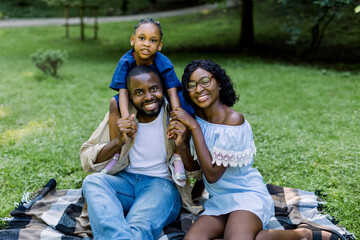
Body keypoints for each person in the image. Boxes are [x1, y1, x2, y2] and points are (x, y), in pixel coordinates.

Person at [167, 60, 346, 240]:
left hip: (247, 197)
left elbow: (213, 175)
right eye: (192, 85)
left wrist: (194, 129)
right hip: (218, 201)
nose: (198, 89)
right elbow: (196, 172)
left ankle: (303, 232)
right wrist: (182, 144)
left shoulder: (233, 121)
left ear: (218, 83)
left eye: (205, 81)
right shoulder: (196, 120)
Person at [81, 65, 188, 240]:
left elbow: (195, 171)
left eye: (153, 89)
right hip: (124, 182)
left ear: (162, 88)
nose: (148, 97)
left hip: (161, 186)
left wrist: (182, 145)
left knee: (139, 228)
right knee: (93, 182)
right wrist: (119, 141)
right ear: (130, 96)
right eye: (139, 93)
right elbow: (87, 157)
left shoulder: (175, 116)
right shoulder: (124, 115)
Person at [108, 18, 192, 186]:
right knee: (113, 102)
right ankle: (116, 153)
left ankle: (177, 157)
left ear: (159, 45)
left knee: (184, 106)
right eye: (142, 38)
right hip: (136, 97)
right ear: (133, 40)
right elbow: (123, 91)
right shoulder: (125, 61)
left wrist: (176, 115)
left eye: (152, 40)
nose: (146, 44)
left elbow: (172, 90)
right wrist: (127, 119)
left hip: (163, 94)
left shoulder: (163, 62)